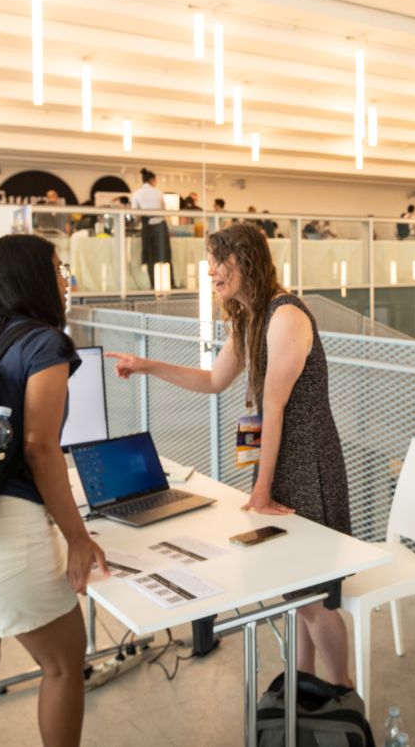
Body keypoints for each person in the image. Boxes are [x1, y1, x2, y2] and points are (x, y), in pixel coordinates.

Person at [106, 223, 354, 687]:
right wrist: (146, 366)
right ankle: (303, 688)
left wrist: (260, 492)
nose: (212, 271)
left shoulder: (285, 316)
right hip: (281, 460)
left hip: (308, 461)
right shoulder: (249, 318)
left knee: (314, 593)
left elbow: (274, 406)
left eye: (221, 261)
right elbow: (213, 381)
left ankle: (343, 695)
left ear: (248, 261)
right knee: (295, 588)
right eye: (210, 261)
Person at [0, 234, 108, 747]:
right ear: (34, 277)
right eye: (58, 268)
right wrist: (77, 536)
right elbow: (39, 447)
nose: (64, 279)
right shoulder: (45, 344)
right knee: (62, 667)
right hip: (8, 528)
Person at [131, 168, 172, 289]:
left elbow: (135, 214)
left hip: (146, 225)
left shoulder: (137, 194)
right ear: (152, 180)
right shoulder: (158, 192)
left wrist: (136, 223)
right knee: (164, 255)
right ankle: (168, 283)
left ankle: (152, 283)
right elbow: (164, 210)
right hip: (160, 224)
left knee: (149, 256)